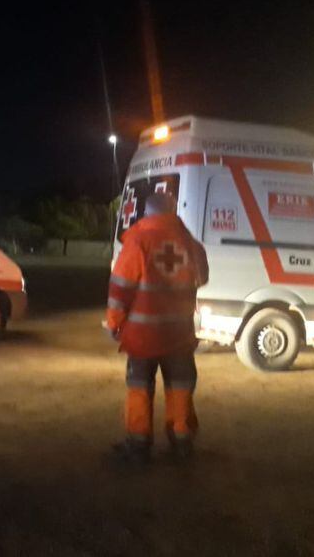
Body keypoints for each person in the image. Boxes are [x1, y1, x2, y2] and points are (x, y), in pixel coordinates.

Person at [106, 192, 209, 463]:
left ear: (147, 212)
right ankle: (182, 444)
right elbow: (203, 278)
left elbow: (120, 289)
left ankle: (138, 447)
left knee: (140, 387)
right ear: (173, 210)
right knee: (180, 387)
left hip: (143, 337)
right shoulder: (191, 244)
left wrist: (114, 323)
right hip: (179, 335)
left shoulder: (138, 241)